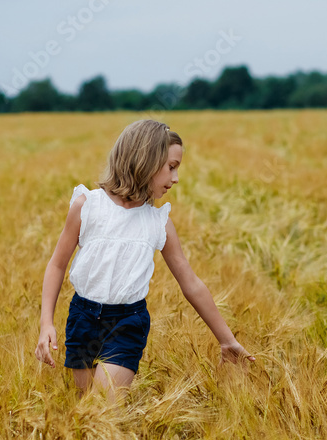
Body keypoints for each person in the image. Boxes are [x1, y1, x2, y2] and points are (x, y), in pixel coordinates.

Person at [34, 119, 254, 401]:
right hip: (83, 318)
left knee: (105, 407)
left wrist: (227, 339)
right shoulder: (88, 206)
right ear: (145, 160)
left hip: (128, 322)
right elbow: (56, 265)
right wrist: (46, 324)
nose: (175, 179)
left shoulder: (158, 223)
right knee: (86, 410)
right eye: (171, 167)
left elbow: (191, 283)